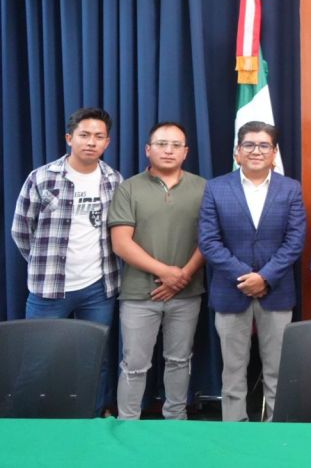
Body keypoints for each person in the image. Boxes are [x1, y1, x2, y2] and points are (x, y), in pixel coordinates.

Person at [11, 107, 123, 414]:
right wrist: (44, 265)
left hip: (98, 289)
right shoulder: (41, 178)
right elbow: (21, 231)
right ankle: (23, 423)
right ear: (69, 138)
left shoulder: (114, 180)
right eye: (84, 135)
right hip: (49, 290)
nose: (91, 142)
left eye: (99, 136)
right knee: (37, 361)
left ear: (107, 142)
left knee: (94, 360)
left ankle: (92, 418)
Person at [198, 121, 306, 422]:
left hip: (277, 291)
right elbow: (208, 241)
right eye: (249, 145)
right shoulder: (216, 188)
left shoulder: (291, 188)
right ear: (237, 151)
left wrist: (265, 277)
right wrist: (246, 277)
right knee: (233, 372)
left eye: (263, 145)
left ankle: (276, 433)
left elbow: (295, 240)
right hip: (231, 291)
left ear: (274, 153)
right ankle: (235, 432)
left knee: (277, 371)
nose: (256, 151)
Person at [108, 122, 206, 420]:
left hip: (187, 293)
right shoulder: (128, 188)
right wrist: (167, 273)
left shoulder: (204, 188)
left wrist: (182, 277)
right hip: (139, 294)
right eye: (162, 144)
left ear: (186, 152)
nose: (168, 150)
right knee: (134, 365)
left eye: (176, 145)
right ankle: (127, 424)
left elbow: (210, 239)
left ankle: (176, 420)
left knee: (180, 361)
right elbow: (121, 243)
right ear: (148, 149)